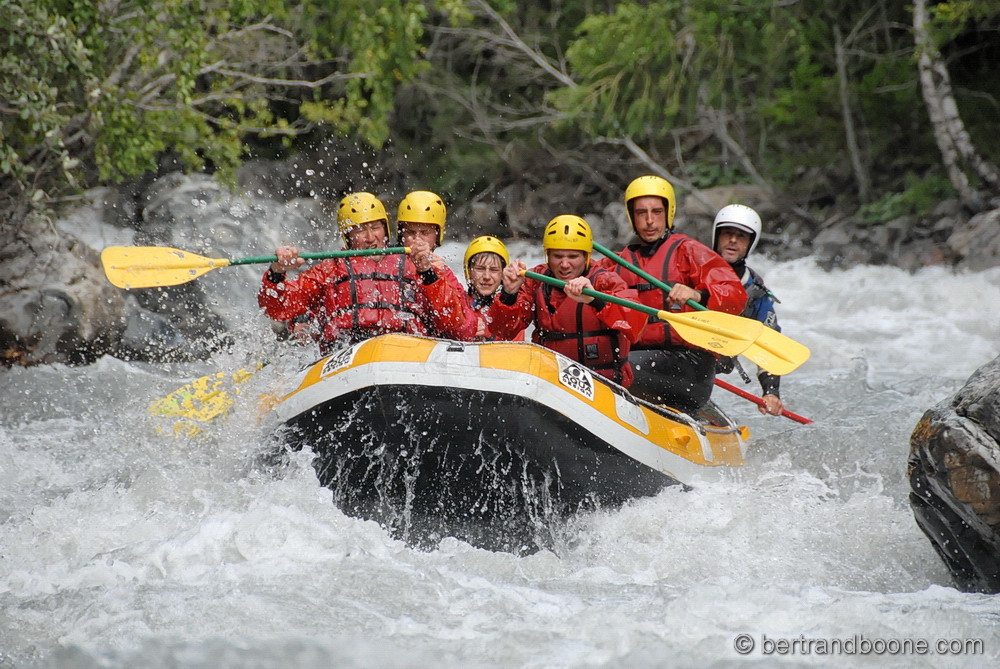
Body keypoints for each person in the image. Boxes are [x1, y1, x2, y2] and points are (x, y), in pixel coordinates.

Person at [596, 175, 747, 413]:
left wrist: (698, 294)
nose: (649, 221)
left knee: (613, 371)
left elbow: (735, 295)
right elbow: (576, 274)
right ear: (631, 216)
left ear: (668, 213)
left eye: (656, 212)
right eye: (641, 213)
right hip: (639, 359)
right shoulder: (617, 262)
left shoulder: (690, 252)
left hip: (689, 366)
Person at [258, 191, 473, 352]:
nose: (370, 238)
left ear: (386, 230)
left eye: (375, 228)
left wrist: (428, 273)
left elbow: (454, 323)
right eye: (360, 230)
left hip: (406, 349)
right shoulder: (330, 269)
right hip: (346, 350)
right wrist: (277, 271)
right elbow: (277, 309)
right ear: (348, 237)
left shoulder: (420, 266)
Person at [487, 215, 646, 386]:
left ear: (586, 257)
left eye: (572, 256)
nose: (564, 264)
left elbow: (636, 326)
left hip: (603, 383)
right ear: (547, 255)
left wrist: (595, 300)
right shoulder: (535, 281)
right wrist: (509, 293)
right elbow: (502, 331)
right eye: (557, 256)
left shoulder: (605, 281)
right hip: (553, 381)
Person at [712, 204, 786, 416]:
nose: (733, 240)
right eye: (727, 233)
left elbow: (768, 343)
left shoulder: (756, 294)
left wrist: (771, 392)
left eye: (741, 236)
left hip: (709, 369)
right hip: (678, 357)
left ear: (749, 244)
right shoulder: (691, 272)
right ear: (717, 236)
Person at [396, 190, 478, 340]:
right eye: (411, 232)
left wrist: (431, 276)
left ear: (437, 236)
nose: (417, 240)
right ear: (401, 234)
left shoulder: (444, 274)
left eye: (425, 232)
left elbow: (465, 331)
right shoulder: (386, 263)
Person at [462, 235, 524, 341]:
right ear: (469, 272)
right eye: (480, 269)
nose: (486, 276)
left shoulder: (512, 311)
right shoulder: (456, 304)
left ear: (502, 274)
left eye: (494, 270)